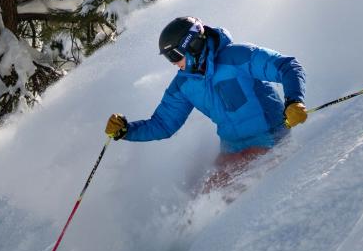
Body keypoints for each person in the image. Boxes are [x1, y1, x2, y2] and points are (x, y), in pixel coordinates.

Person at [105, 16, 308, 190]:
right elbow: (163, 124)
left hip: (269, 138)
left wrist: (294, 101)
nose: (174, 63)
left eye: (174, 55)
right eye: (168, 58)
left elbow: (287, 66)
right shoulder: (184, 83)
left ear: (192, 45)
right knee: (201, 189)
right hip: (232, 146)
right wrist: (127, 131)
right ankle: (187, 233)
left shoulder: (237, 57)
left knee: (224, 191)